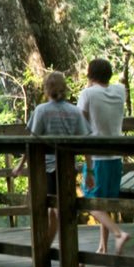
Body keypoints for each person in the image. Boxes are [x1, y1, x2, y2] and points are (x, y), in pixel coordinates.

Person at [26, 71, 87, 250]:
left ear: (46, 89)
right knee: (63, 209)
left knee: (53, 210)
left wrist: (23, 165)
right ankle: (50, 247)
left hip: (47, 168)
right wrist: (88, 169)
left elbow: (33, 139)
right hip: (68, 168)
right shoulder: (74, 111)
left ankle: (57, 249)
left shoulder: (41, 110)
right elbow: (85, 138)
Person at [77, 58, 131, 255]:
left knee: (90, 203)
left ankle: (118, 233)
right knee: (105, 204)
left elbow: (80, 125)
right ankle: (103, 247)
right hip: (115, 158)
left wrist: (88, 168)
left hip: (97, 158)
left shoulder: (87, 94)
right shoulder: (119, 91)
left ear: (90, 75)